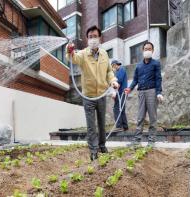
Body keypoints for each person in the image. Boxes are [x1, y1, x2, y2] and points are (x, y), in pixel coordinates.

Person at [66, 25, 119, 161]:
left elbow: (108, 71)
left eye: (95, 36)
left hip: (101, 94)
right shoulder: (83, 54)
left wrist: (113, 81)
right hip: (88, 96)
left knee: (102, 124)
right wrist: (69, 51)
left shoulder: (104, 54)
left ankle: (102, 146)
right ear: (87, 39)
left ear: (99, 38)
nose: (93, 39)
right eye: (90, 37)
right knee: (91, 125)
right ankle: (93, 150)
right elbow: (73, 58)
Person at [124, 41, 163, 146]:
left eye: (149, 49)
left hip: (152, 91)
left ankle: (151, 141)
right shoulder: (139, 66)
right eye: (146, 49)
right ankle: (137, 141)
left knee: (152, 117)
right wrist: (129, 88)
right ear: (142, 50)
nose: (147, 51)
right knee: (140, 117)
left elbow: (158, 79)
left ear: (153, 51)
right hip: (141, 92)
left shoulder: (156, 63)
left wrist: (159, 92)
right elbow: (135, 80)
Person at [111, 60, 128, 132]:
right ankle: (125, 126)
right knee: (122, 109)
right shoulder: (120, 71)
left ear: (114, 65)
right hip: (122, 93)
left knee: (116, 109)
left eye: (112, 66)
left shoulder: (121, 70)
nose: (112, 68)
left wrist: (114, 92)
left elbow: (119, 81)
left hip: (121, 93)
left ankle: (119, 126)